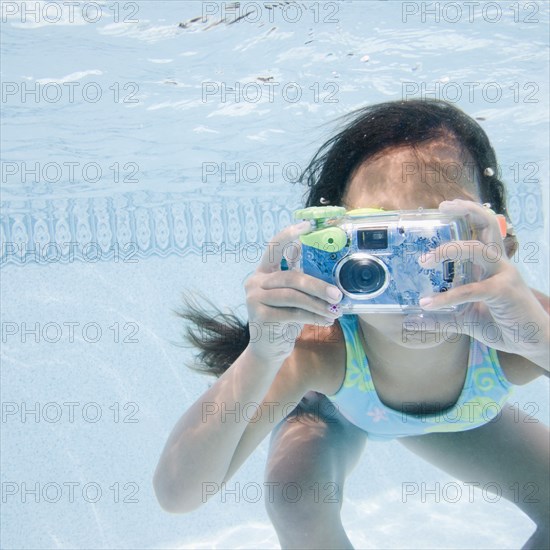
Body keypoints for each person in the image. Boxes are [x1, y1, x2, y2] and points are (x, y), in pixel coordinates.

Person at [153, 99, 550, 549]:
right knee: (295, 499)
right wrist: (263, 353)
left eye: (437, 238)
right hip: (338, 411)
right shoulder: (321, 346)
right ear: (331, 252)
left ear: (501, 243)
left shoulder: (523, 328)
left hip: (470, 413)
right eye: (380, 240)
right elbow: (178, 493)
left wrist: (540, 345)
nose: (409, 275)